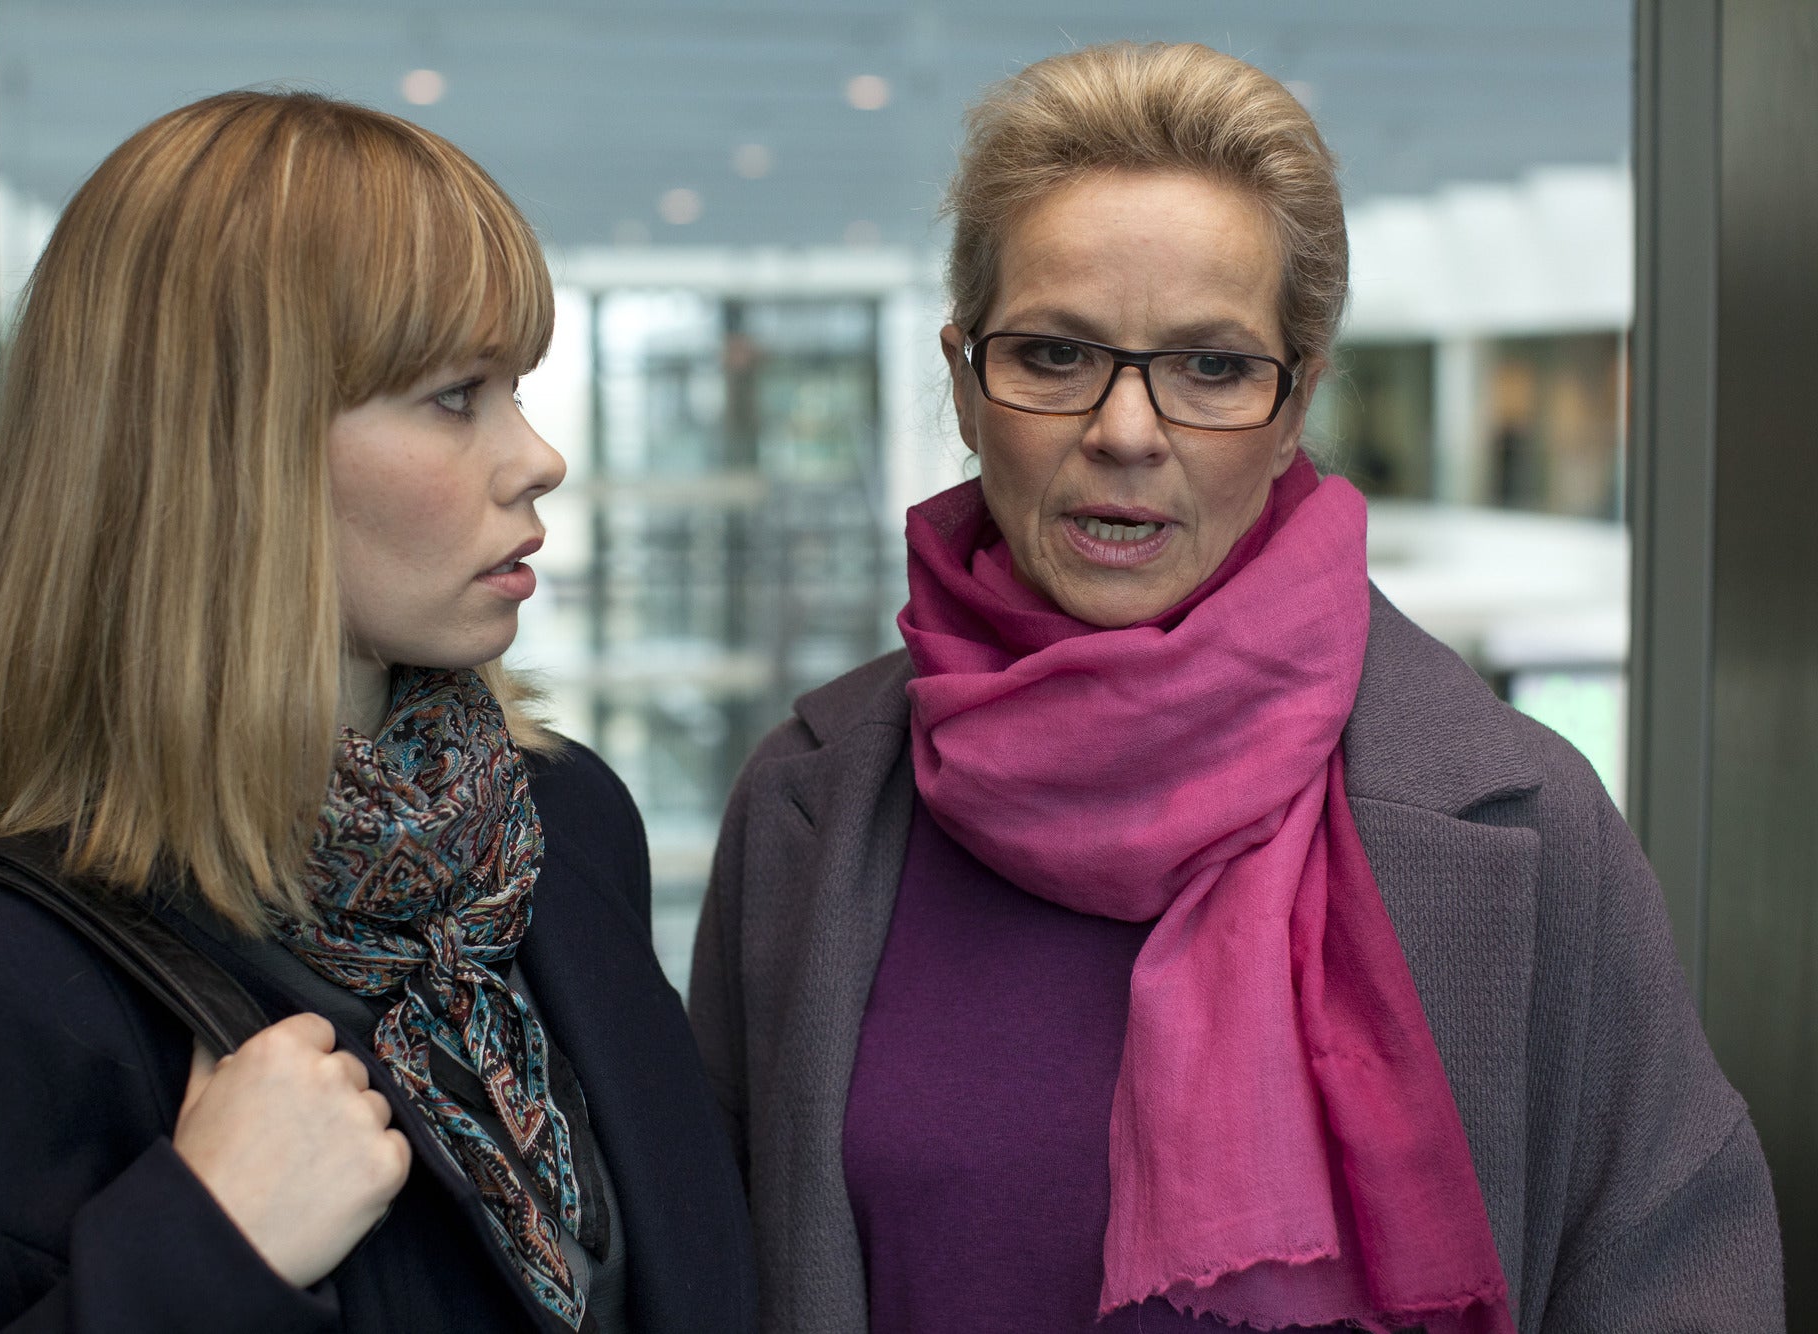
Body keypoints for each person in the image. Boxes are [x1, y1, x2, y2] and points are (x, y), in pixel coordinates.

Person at [688, 41, 1783, 1334]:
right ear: (967, 383)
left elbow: (1673, 1277)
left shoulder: (1529, 818)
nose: (1129, 430)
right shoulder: (810, 805)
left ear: (1296, 400)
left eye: (1211, 366)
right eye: (1054, 354)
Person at [0, 91, 752, 1334]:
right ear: (232, 452)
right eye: (454, 393)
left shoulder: (558, 828)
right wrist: (199, 1255)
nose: (537, 456)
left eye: (514, 384)